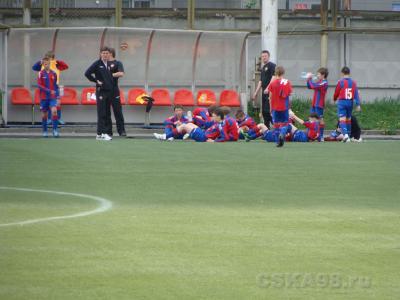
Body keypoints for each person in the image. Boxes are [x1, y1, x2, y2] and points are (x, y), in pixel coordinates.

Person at [84, 46, 114, 141]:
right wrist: (96, 81)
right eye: (103, 53)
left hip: (108, 92)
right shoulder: (97, 64)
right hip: (101, 92)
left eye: (107, 53)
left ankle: (105, 133)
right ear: (100, 54)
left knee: (106, 113)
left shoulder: (108, 64)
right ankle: (99, 134)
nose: (105, 55)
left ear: (109, 55)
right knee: (101, 113)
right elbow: (87, 73)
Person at [32, 50, 68, 125]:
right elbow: (34, 68)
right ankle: (49, 119)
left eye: (51, 58)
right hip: (45, 88)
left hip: (55, 87)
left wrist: (57, 61)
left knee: (57, 103)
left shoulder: (56, 64)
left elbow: (65, 66)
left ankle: (58, 119)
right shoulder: (43, 65)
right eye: (48, 58)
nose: (50, 61)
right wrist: (40, 62)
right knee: (48, 104)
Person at [333, 66, 361, 142]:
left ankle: (345, 135)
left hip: (342, 102)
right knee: (348, 119)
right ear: (349, 73)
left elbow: (336, 92)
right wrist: (358, 104)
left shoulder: (340, 82)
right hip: (350, 102)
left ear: (342, 73)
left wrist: (335, 99)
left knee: (342, 119)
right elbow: (356, 94)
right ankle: (348, 135)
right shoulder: (353, 82)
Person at [267, 66, 293, 147]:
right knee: (285, 123)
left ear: (275, 73)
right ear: (283, 73)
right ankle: (282, 134)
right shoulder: (287, 82)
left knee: (276, 125)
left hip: (275, 107)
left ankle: (278, 141)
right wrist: (289, 106)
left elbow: (270, 97)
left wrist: (270, 108)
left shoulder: (272, 83)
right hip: (284, 107)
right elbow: (290, 95)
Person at [252, 50, 276, 128]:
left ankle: (277, 126)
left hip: (270, 92)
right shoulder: (263, 68)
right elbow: (260, 81)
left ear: (268, 56)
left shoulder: (272, 65)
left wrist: (268, 88)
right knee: (264, 111)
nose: (264, 58)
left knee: (269, 110)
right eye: (262, 56)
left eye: (265, 56)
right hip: (264, 92)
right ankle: (266, 129)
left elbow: (274, 77)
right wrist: (256, 92)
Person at [37, 57, 59, 138]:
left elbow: (55, 85)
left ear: (50, 63)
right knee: (44, 115)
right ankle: (45, 131)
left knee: (54, 111)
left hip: (52, 97)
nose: (47, 65)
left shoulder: (54, 73)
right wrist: (49, 91)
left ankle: (55, 130)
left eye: (48, 64)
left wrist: (58, 95)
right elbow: (39, 85)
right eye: (45, 64)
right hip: (43, 97)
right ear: (43, 64)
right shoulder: (40, 73)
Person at [305, 67, 328, 141]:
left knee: (320, 120)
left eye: (319, 74)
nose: (317, 75)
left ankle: (320, 136)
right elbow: (309, 86)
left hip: (319, 105)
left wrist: (310, 79)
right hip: (314, 104)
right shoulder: (319, 82)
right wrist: (308, 79)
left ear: (323, 75)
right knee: (311, 120)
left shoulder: (324, 82)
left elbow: (313, 86)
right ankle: (310, 135)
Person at [108, 48, 126, 137]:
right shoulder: (102, 63)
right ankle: (108, 132)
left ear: (110, 53)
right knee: (105, 112)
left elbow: (121, 73)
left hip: (114, 90)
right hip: (104, 91)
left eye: (106, 53)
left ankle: (121, 131)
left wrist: (110, 75)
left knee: (118, 111)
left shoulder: (118, 63)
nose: (104, 55)